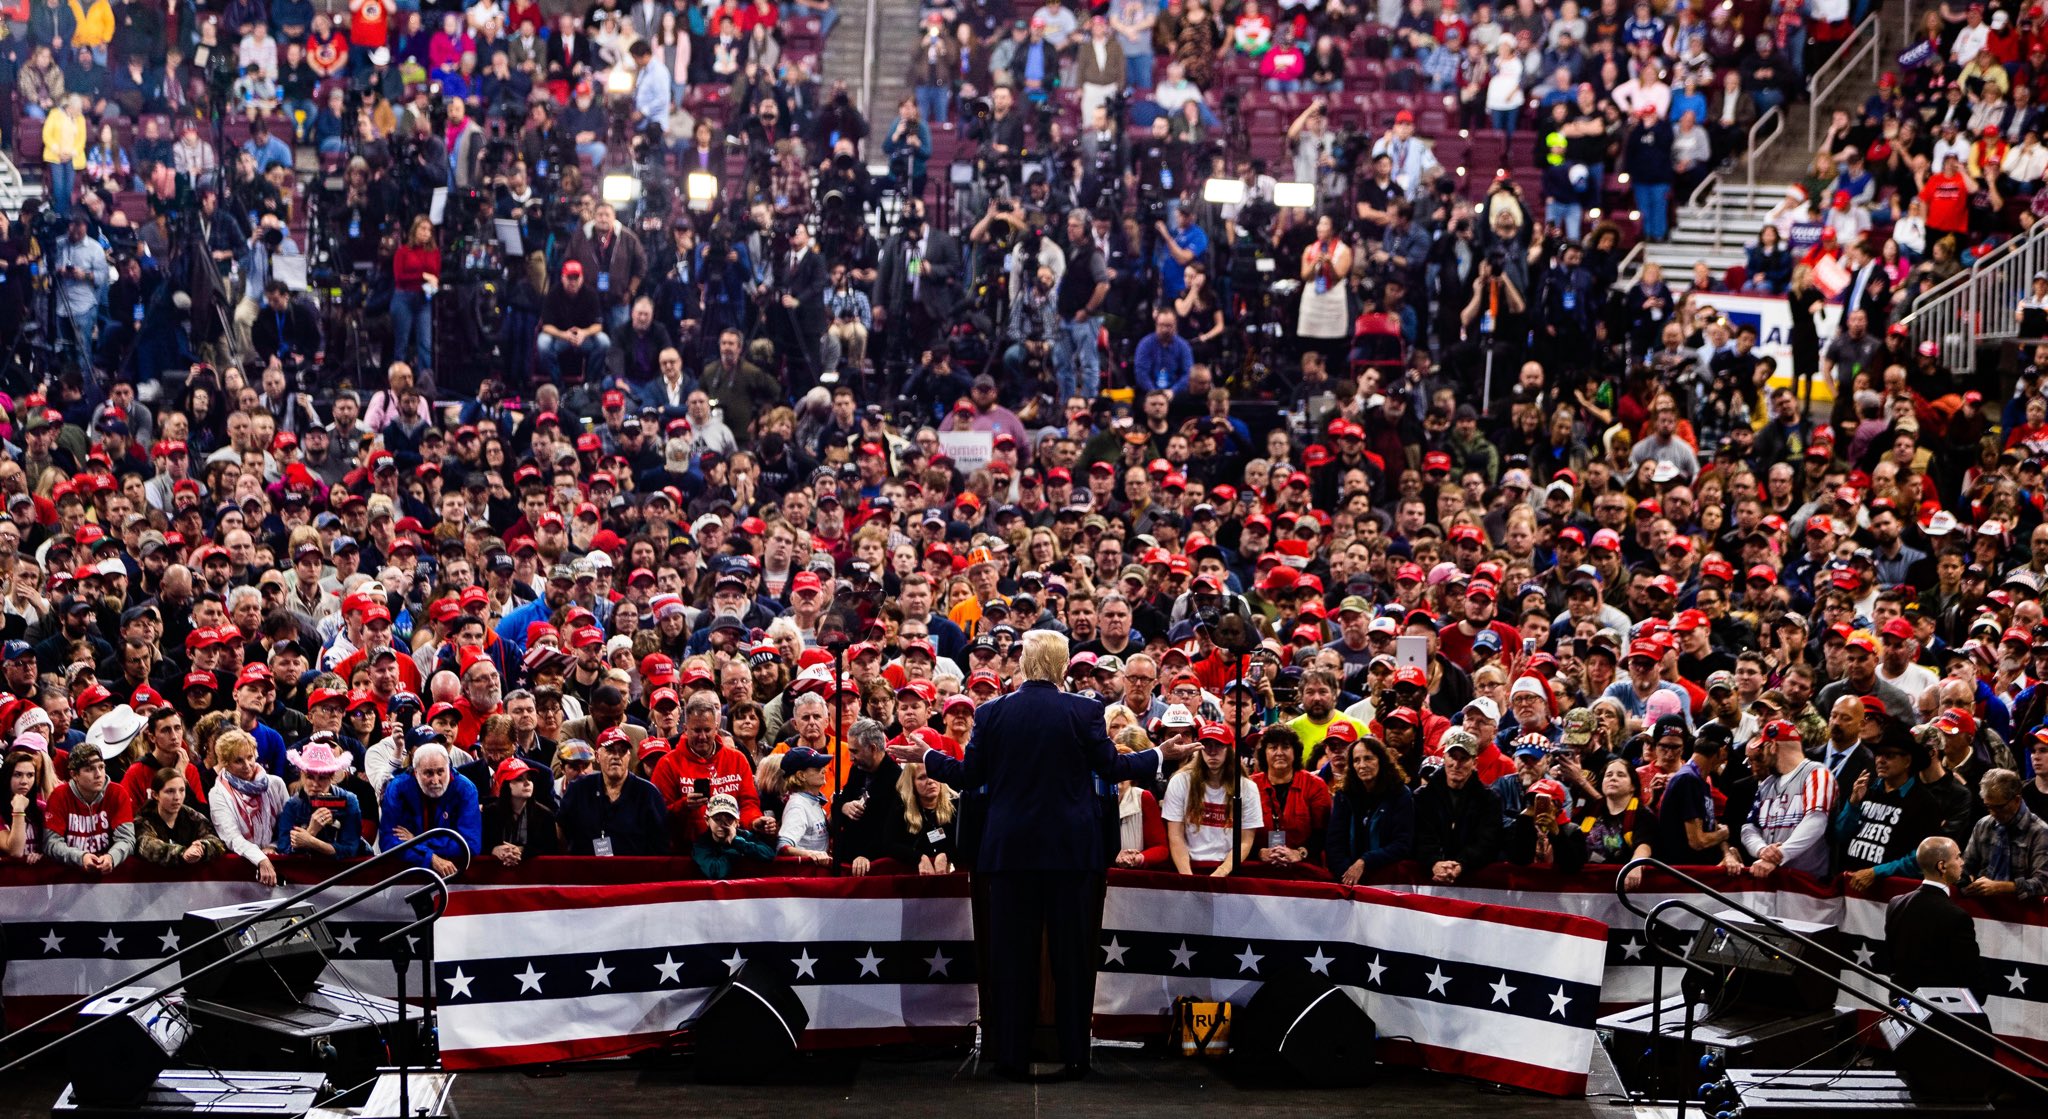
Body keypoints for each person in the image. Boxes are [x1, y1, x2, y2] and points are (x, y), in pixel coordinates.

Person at [889, 629, 1169, 1081]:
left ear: (1023, 664)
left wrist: (928, 756)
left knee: (1012, 957)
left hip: (1011, 856)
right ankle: (1077, 1056)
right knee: (1072, 958)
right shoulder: (1085, 710)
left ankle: (1011, 1056)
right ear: (1060, 667)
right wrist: (1157, 754)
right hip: (1071, 856)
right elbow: (1114, 768)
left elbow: (968, 774)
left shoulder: (993, 713)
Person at [1884, 836, 1981, 995]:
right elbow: (1973, 978)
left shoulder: (1895, 903)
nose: (1962, 862)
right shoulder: (1957, 916)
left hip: (1902, 1005)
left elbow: (1892, 961)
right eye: (1957, 857)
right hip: (1941, 1009)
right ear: (1942, 866)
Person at [1165, 721, 1264, 875]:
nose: (1212, 752)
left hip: (1228, 867)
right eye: (1207, 745)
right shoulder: (1180, 781)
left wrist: (1222, 871)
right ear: (1199, 748)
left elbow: (1245, 840)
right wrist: (1187, 877)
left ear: (1229, 749)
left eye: (1218, 745)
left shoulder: (1247, 788)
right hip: (1189, 864)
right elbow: (1175, 835)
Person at [378, 737, 483, 877]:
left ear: (449, 768)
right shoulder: (397, 788)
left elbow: (469, 844)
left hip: (453, 876)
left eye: (441, 772)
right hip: (408, 876)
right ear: (415, 772)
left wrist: (416, 840)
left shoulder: (466, 789)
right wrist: (430, 858)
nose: (435, 780)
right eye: (428, 773)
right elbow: (388, 841)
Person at [558, 728, 668, 856]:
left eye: (622, 751)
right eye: (610, 750)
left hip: (634, 873)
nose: (616, 756)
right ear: (597, 756)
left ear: (629, 757)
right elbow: (561, 834)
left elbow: (660, 843)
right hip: (586, 872)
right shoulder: (578, 789)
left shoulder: (648, 793)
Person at [1325, 732, 1415, 884]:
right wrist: (1346, 875)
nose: (1362, 765)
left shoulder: (1400, 794)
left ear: (1381, 760)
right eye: (1356, 760)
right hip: (1348, 878)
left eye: (1368, 758)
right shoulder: (1343, 795)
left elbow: (1402, 844)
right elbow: (1334, 843)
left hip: (1388, 877)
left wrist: (1365, 861)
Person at [1413, 732, 1502, 884]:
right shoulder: (1423, 796)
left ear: (1475, 763)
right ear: (1444, 757)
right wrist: (1434, 862)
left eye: (1464, 758)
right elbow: (1419, 836)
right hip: (1428, 879)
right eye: (1453, 757)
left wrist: (1462, 864)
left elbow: (1488, 841)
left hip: (1473, 881)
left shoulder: (1489, 799)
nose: (1456, 764)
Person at [209, 729, 287, 883]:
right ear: (225, 763)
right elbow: (232, 837)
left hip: (277, 860)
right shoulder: (218, 794)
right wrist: (260, 858)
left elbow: (287, 825)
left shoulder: (276, 784)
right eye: (238, 761)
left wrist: (274, 847)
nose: (247, 765)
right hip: (241, 869)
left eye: (250, 757)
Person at [1251, 724, 1329, 867]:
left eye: (1285, 747)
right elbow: (1237, 834)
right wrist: (1259, 852)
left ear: (1295, 752)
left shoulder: (1315, 786)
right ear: (1264, 753)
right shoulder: (1249, 786)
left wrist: (1299, 853)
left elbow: (1324, 833)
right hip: (1258, 867)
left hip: (1304, 867)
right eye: (1273, 747)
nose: (1279, 753)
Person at [275, 738, 366, 857]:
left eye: (322, 778)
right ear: (301, 775)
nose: (315, 784)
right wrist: (311, 830)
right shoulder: (292, 805)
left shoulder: (349, 801)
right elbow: (284, 849)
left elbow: (350, 850)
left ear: (331, 777)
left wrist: (310, 840)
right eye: (310, 777)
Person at [134, 767, 227, 866]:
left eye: (182, 790)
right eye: (170, 791)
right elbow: (147, 846)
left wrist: (202, 847)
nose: (177, 797)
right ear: (155, 795)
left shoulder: (193, 816)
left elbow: (217, 842)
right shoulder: (143, 820)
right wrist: (183, 853)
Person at [482, 755, 560, 866]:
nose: (527, 783)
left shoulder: (545, 815)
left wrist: (523, 851)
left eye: (529, 778)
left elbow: (551, 850)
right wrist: (494, 850)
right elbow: (481, 845)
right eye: (519, 779)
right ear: (505, 785)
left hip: (534, 875)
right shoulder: (489, 813)